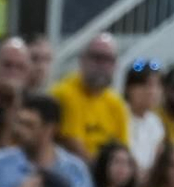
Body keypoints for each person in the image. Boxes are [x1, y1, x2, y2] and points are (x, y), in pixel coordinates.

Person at [51, 34, 129, 165]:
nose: (102, 65)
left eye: (108, 59)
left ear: (115, 65)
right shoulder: (64, 93)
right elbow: (72, 144)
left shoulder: (116, 103)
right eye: (97, 58)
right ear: (82, 60)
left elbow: (122, 149)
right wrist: (102, 174)